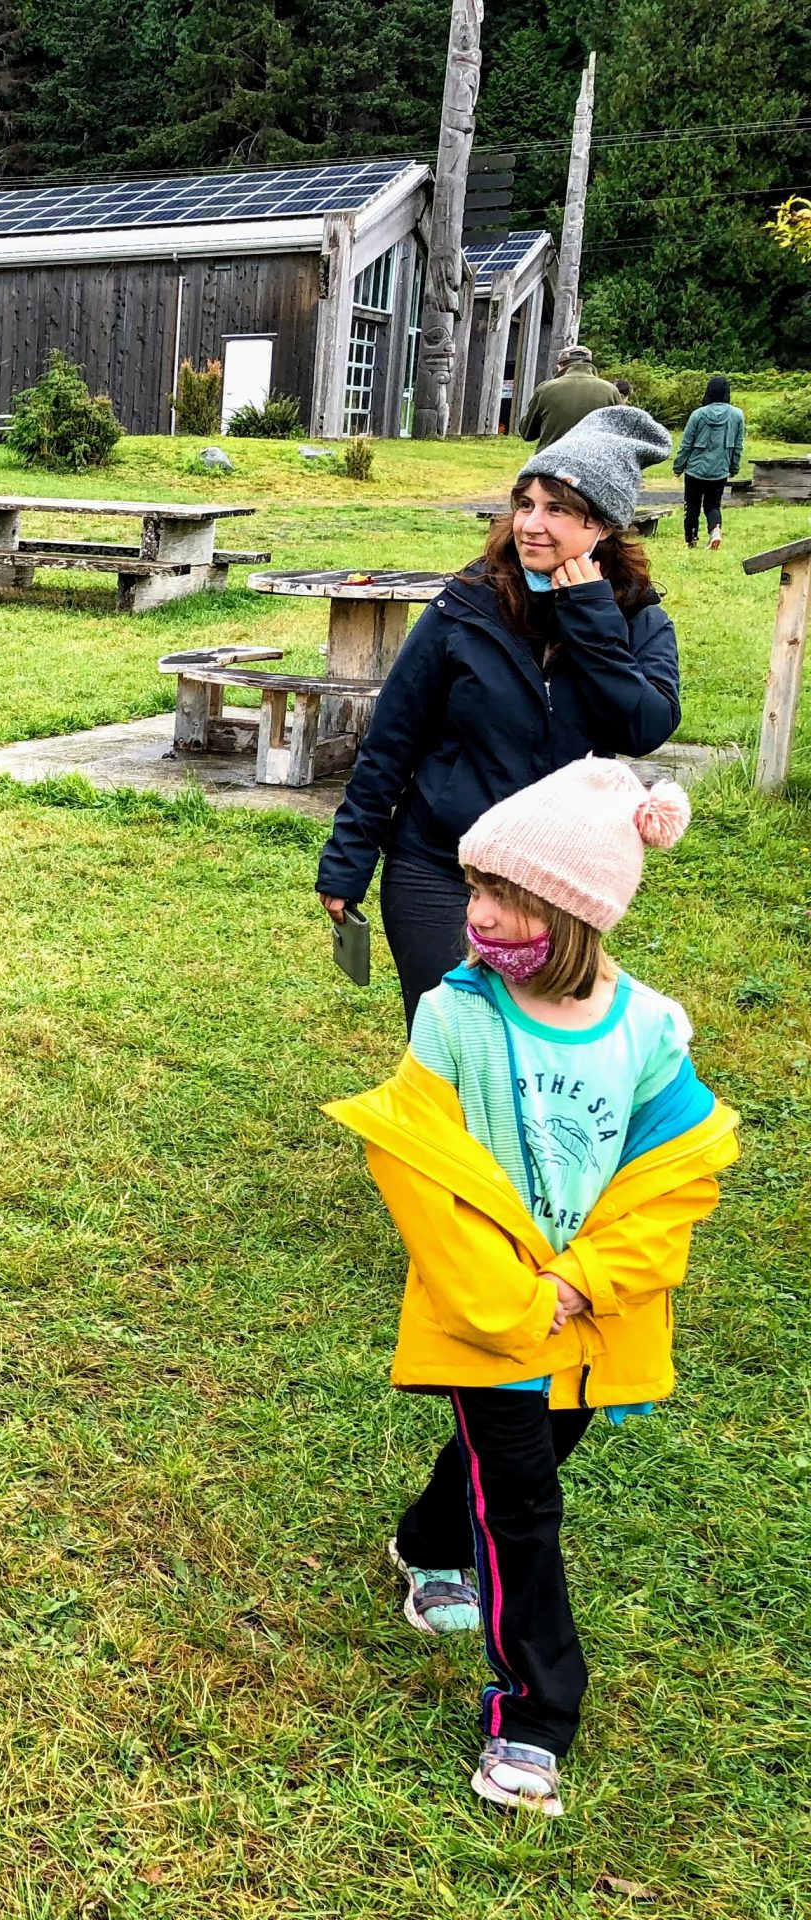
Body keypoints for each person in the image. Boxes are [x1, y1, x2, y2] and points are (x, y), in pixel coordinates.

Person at [325, 758, 739, 1818]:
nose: (477, 916)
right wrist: (508, 1299)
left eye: (505, 898)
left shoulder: (650, 1030)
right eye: (472, 890)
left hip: (587, 1313)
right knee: (523, 1505)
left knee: (530, 1450)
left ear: (573, 913)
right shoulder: (454, 1017)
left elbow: (673, 1177)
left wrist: (581, 1282)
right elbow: (419, 1166)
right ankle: (533, 1718)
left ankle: (423, 1543)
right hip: (488, 1308)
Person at [318, 407, 681, 1026]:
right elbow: (392, 739)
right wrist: (349, 860)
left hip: (554, 882)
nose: (531, 525)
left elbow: (642, 728)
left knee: (532, 1050)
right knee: (451, 1045)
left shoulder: (637, 618)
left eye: (557, 509)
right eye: (525, 503)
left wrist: (589, 615)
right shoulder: (467, 605)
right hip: (439, 864)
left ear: (604, 525)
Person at [674, 376, 747, 550]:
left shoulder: (698, 415)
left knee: (692, 506)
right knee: (713, 505)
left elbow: (686, 444)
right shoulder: (737, 415)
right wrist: (734, 467)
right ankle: (715, 530)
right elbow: (738, 446)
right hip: (720, 469)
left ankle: (691, 540)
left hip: (695, 470)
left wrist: (678, 467)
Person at [517, 346, 621, 449]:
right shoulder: (611, 391)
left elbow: (527, 433)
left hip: (553, 460)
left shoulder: (546, 389)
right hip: (595, 461)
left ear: (559, 367)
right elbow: (619, 433)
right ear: (589, 365)